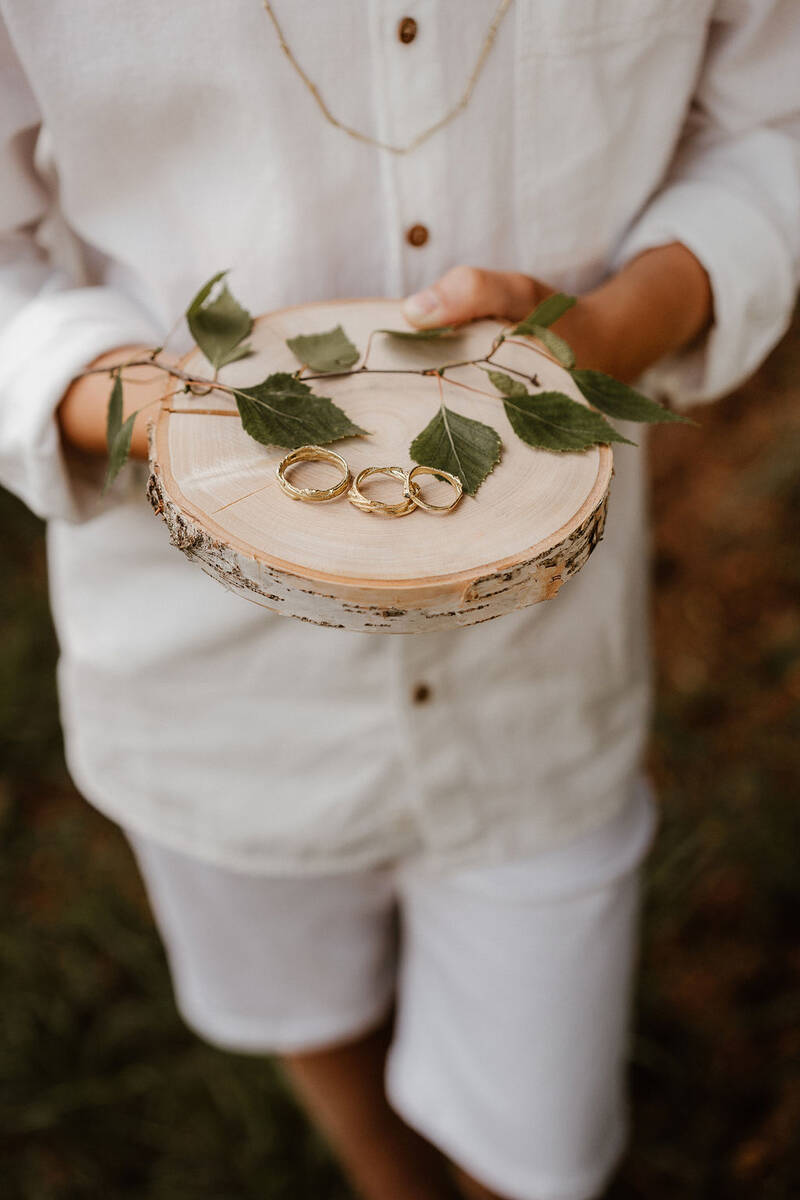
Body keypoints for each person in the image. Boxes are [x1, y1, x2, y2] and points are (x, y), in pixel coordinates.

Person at [1, 3, 798, 1198]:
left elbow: (773, 128)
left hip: (542, 666)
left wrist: (617, 328)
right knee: (293, 989)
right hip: (203, 667)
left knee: (538, 1129)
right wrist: (154, 418)